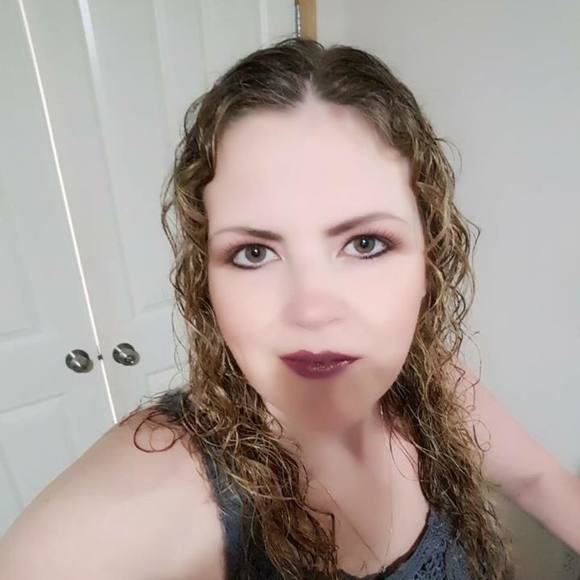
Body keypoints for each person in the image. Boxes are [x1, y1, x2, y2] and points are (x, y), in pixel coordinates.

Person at [2, 36, 579, 580]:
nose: (311, 310)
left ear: (429, 259)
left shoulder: (435, 387)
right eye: (254, 252)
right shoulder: (161, 493)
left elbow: (542, 480)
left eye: (365, 244)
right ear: (205, 282)